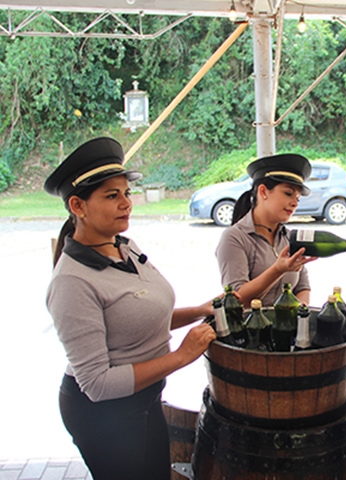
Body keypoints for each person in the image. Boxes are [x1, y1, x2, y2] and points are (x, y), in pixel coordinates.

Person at [44, 137, 217, 480]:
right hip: (104, 417)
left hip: (144, 400)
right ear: (78, 206)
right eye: (112, 196)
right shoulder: (71, 282)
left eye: (126, 192)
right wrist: (183, 356)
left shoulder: (124, 246)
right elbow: (97, 384)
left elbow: (138, 319)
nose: (127, 204)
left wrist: (198, 310)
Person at [216, 153, 316, 307]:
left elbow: (302, 287)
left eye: (297, 198)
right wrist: (278, 269)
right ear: (263, 191)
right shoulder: (235, 237)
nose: (294, 203)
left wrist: (298, 315)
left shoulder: (290, 238)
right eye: (288, 193)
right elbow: (236, 299)